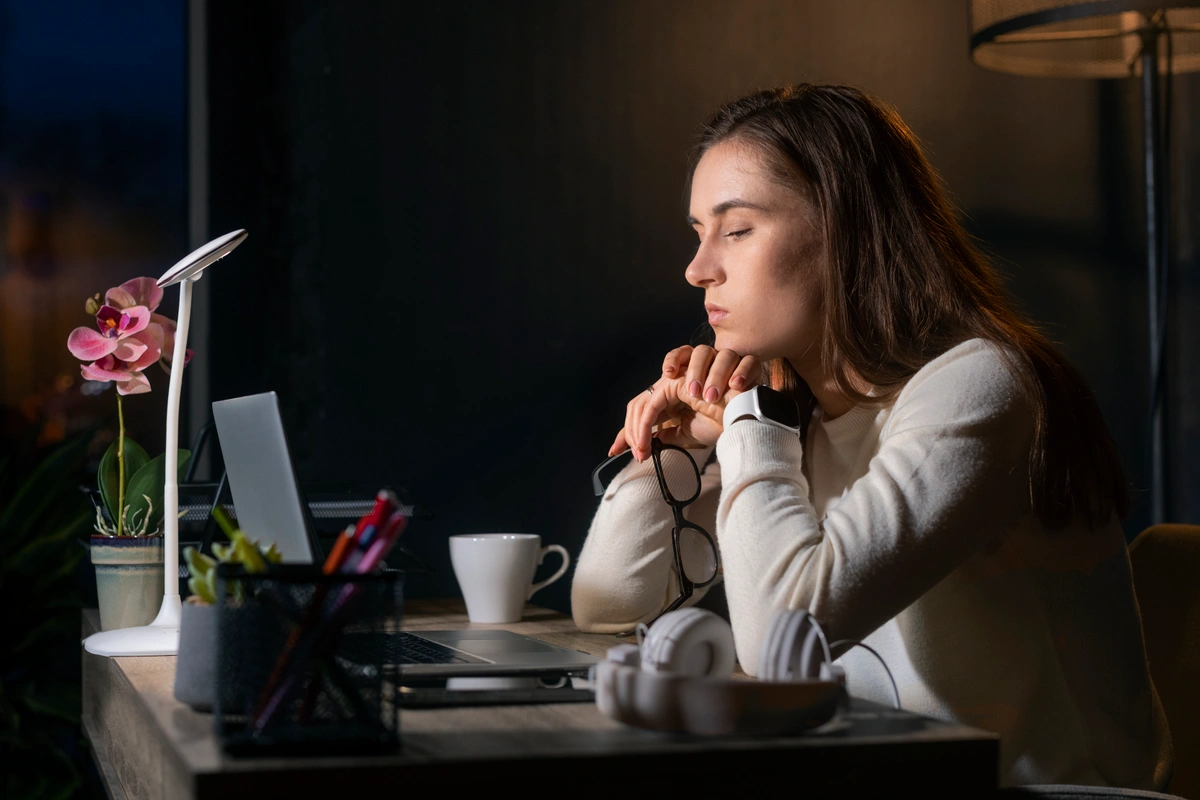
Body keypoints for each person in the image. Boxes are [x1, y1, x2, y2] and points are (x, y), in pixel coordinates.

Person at [571, 84, 1172, 789]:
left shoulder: (980, 385)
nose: (698, 269)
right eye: (698, 233)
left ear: (845, 229)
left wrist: (745, 419)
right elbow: (608, 602)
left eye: (736, 230)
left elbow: (780, 641)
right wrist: (677, 449)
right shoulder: (793, 409)